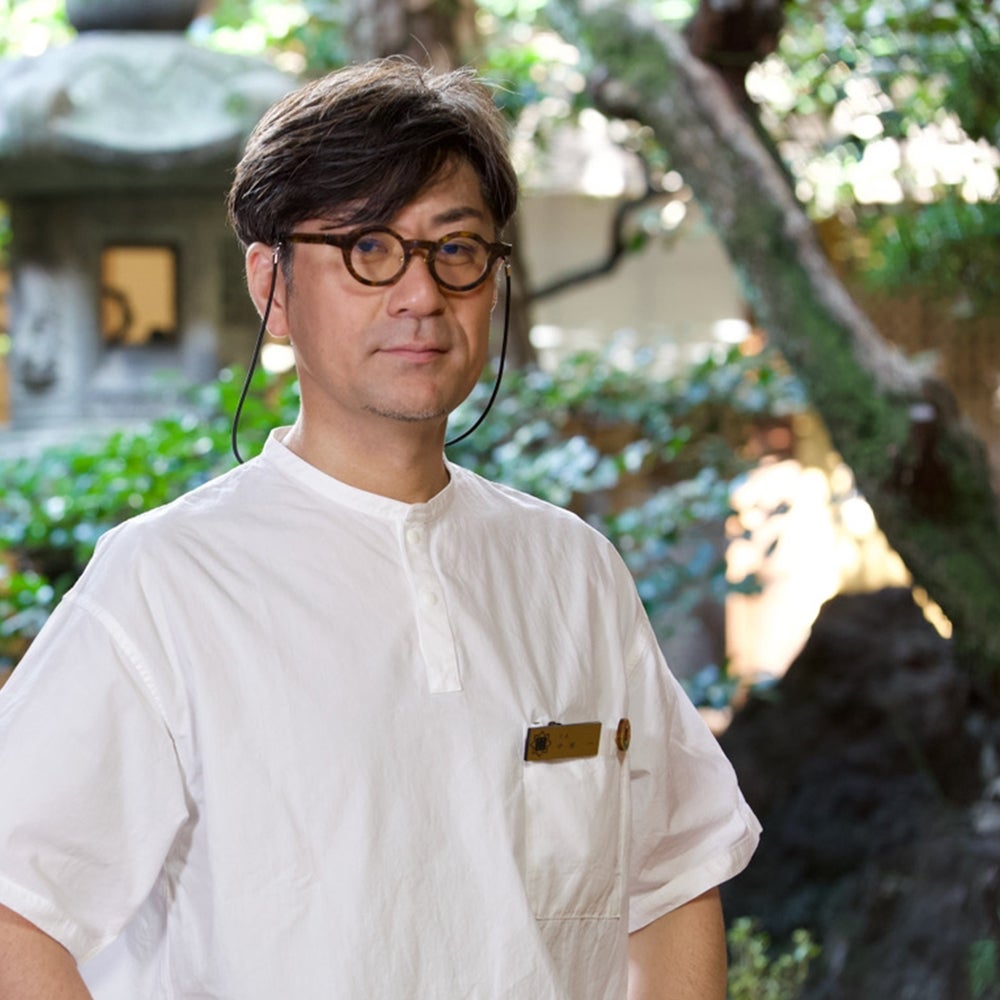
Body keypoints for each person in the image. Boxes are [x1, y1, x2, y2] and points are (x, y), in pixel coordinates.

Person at [0, 56, 760, 999]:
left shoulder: (572, 570)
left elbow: (673, 875)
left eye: (457, 248)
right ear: (272, 287)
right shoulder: (167, 581)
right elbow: (17, 904)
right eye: (368, 247)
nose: (421, 294)